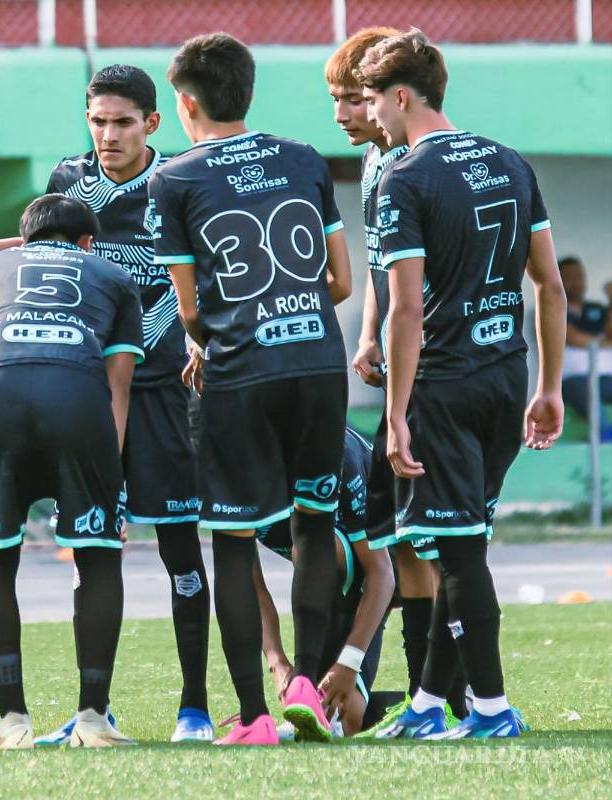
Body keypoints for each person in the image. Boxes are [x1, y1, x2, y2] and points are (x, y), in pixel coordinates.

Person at [358, 28, 566, 738]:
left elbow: (406, 308)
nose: (372, 115)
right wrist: (550, 387)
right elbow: (550, 288)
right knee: (459, 541)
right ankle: (423, 707)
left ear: (403, 96)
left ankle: (491, 708)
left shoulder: (404, 177)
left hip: (442, 386)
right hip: (507, 379)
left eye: (373, 101)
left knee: (460, 552)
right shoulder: (507, 160)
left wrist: (394, 414)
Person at [150, 32, 353, 746]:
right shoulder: (302, 158)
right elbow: (343, 283)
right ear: (248, 92)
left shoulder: (173, 179)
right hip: (319, 367)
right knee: (314, 527)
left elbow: (188, 310)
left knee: (233, 542)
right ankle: (309, 687)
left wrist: (217, 337)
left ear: (184, 101)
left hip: (242, 373)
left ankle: (258, 717)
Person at [44, 64, 211, 743]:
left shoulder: (179, 181)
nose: (107, 135)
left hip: (166, 390)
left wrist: (195, 338)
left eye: (121, 122)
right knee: (94, 550)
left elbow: (205, 270)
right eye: (97, 121)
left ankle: (194, 709)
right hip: (90, 394)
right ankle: (94, 711)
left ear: (152, 122)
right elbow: (51, 268)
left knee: (179, 550)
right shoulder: (68, 182)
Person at [0, 194, 143, 749]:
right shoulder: (112, 273)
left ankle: (12, 722)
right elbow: (119, 384)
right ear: (88, 241)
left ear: (25, 239)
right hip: (76, 398)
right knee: (97, 555)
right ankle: (92, 718)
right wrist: (111, 479)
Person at [324, 26, 464, 730]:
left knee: (441, 537)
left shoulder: (423, 162)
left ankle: (462, 695)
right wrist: (369, 331)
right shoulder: (379, 169)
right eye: (337, 100)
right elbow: (384, 261)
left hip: (444, 367)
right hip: (401, 356)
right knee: (403, 534)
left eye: (353, 99)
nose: (345, 114)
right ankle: (425, 694)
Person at [254, 427, 395, 737]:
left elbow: (382, 572)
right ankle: (387, 705)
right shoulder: (229, 464)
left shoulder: (333, 452)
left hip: (382, 560)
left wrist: (349, 661)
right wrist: (277, 662)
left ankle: (453, 694)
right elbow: (243, 580)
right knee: (337, 719)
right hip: (324, 576)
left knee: (315, 548)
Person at [559, 255, 612, 422]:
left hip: (606, 378)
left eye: (579, 276)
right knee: (586, 394)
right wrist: (603, 342)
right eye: (569, 277)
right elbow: (572, 337)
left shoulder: (597, 308)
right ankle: (603, 435)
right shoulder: (554, 309)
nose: (576, 282)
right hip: (573, 381)